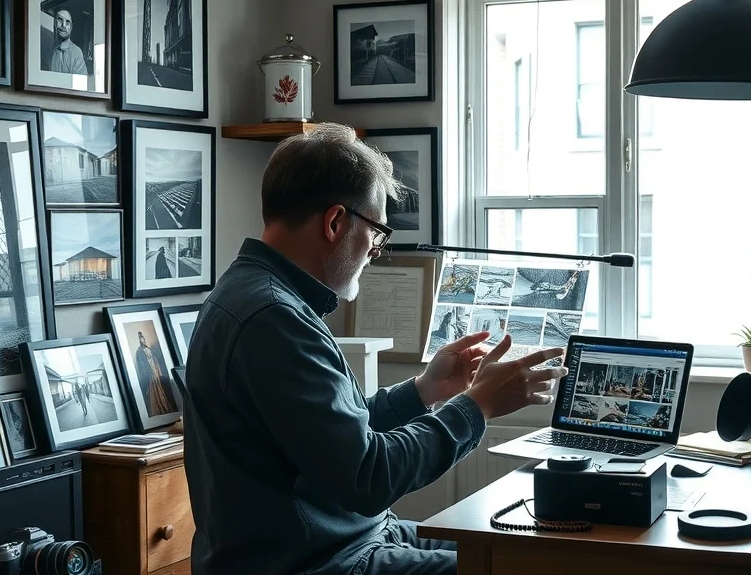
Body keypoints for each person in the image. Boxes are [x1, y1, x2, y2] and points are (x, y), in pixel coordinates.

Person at [182, 123, 567, 575]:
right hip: (317, 562)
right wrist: (478, 406)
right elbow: (368, 478)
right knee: (518, 567)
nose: (376, 251)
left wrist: (423, 390)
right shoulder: (273, 319)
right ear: (334, 222)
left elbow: (333, 438)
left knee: (521, 553)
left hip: (348, 538)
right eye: (377, 232)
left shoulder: (258, 295)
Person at [134, 330, 177, 416]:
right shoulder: (139, 351)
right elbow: (142, 363)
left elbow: (155, 358)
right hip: (149, 370)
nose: (143, 340)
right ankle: (156, 406)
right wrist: (148, 369)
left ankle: (162, 403)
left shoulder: (149, 348)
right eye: (141, 339)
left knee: (158, 384)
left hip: (155, 368)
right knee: (153, 386)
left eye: (144, 339)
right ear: (139, 340)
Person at [45, 8, 89, 75]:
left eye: (67, 22)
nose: (64, 25)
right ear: (54, 24)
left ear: (71, 27)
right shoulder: (50, 52)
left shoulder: (76, 52)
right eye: (60, 20)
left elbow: (81, 82)